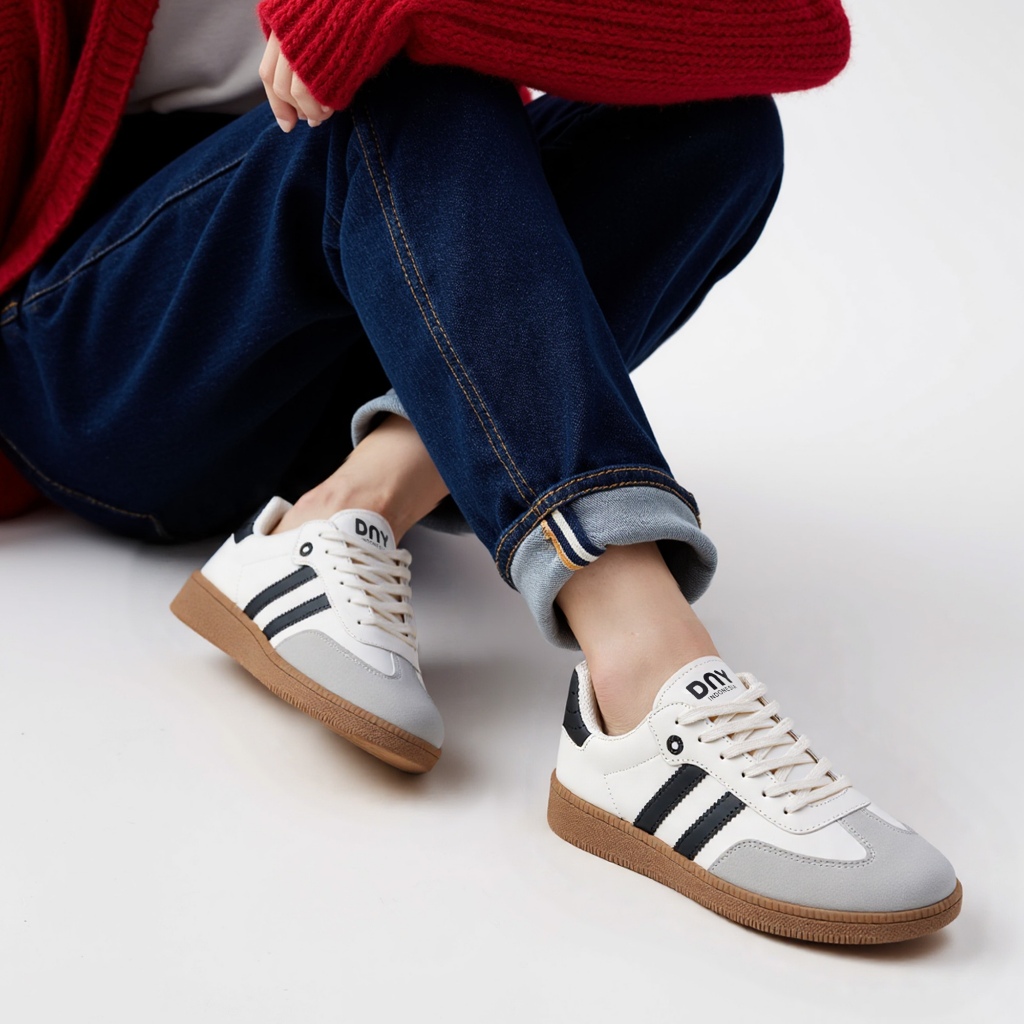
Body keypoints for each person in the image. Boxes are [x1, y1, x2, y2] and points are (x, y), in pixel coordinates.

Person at [0, 0, 962, 943]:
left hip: (367, 289)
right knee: (401, 83)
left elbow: (800, 29)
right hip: (113, 364)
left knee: (718, 129)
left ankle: (349, 500)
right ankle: (643, 675)